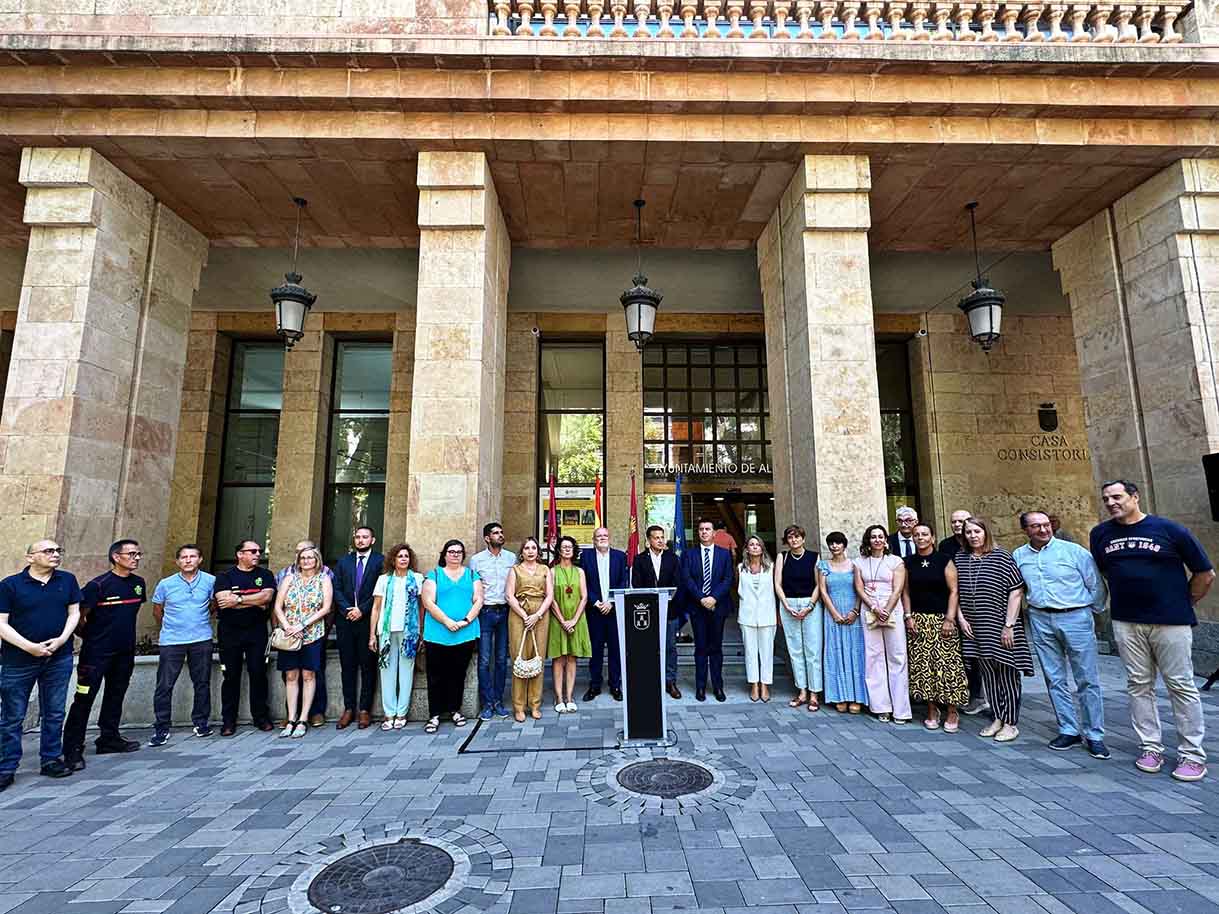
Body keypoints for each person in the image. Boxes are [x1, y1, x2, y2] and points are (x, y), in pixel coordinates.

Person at [1090, 479, 1214, 782]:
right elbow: (1106, 570)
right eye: (1106, 498)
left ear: (1135, 497)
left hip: (1171, 621)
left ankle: (1192, 754)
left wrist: (1184, 601)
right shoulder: (1101, 534)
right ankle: (1150, 747)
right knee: (1138, 684)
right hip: (1126, 621)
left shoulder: (1170, 530)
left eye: (1117, 497)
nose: (1111, 503)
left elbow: (1205, 573)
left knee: (1180, 685)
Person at [1014, 511, 1108, 759]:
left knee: (1087, 678)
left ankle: (1095, 734)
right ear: (1026, 530)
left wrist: (1091, 611)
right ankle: (1068, 729)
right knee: (1054, 678)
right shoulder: (1019, 556)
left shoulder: (1074, 551)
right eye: (1036, 526)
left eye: (1045, 525)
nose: (1043, 530)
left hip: (1075, 616)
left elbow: (1095, 584)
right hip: (1040, 617)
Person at [0, 540, 81, 789]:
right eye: (48, 551)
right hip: (18, 661)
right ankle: (6, 767)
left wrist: (61, 640)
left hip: (59, 658)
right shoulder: (10, 585)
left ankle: (51, 759)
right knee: (12, 716)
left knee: (55, 712)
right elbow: (1, 623)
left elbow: (74, 613)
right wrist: (30, 647)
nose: (55, 554)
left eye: (58, 550)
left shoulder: (67, 580)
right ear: (30, 557)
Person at [62, 539, 146, 770]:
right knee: (84, 699)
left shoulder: (138, 583)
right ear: (116, 557)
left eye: (138, 554)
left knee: (115, 695)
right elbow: (79, 616)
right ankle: (72, 749)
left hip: (124, 653)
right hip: (97, 654)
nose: (136, 558)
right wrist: (92, 637)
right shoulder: (98, 585)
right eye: (131, 554)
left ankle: (109, 738)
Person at [952, 516, 1032, 743]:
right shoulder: (961, 558)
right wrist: (960, 618)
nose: (973, 536)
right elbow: (955, 591)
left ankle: (1010, 723)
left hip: (1000, 624)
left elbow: (1016, 592)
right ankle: (997, 717)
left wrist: (1009, 625)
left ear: (985, 532)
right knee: (988, 674)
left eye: (977, 531)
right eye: (968, 532)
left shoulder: (1001, 557)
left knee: (1007, 673)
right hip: (974, 626)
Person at [901, 523, 968, 732]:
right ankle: (932, 709)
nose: (920, 538)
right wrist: (908, 616)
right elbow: (906, 592)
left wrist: (950, 618)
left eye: (924, 534)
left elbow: (954, 591)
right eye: (916, 535)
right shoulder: (908, 562)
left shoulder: (944, 560)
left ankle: (952, 710)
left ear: (932, 537)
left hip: (941, 620)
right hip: (919, 620)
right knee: (923, 667)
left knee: (947, 665)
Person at [150, 544, 216, 747]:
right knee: (164, 685)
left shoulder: (211, 581)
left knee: (202, 682)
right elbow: (157, 610)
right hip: (172, 641)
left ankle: (201, 723)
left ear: (200, 559)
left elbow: (214, 605)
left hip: (201, 639)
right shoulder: (165, 584)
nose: (188, 560)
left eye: (192, 556)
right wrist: (171, 628)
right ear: (178, 561)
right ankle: (161, 727)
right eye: (184, 557)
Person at [214, 540, 276, 736]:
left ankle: (261, 717)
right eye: (252, 551)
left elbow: (266, 598)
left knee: (258, 674)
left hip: (257, 631)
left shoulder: (265, 575)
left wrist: (238, 599)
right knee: (230, 676)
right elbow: (223, 602)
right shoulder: (224, 576)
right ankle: (228, 721)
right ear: (240, 554)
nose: (258, 554)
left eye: (259, 551)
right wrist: (254, 601)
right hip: (229, 632)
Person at [421, 539, 482, 733]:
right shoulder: (434, 575)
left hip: (465, 633)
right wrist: (447, 621)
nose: (455, 555)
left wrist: (465, 620)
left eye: (459, 552)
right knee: (435, 676)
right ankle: (435, 715)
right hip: (437, 633)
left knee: (458, 674)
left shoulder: (472, 575)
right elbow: (428, 602)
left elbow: (479, 600)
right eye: (451, 551)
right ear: (444, 554)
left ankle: (455, 710)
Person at [272, 545, 332, 739]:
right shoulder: (289, 578)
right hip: (289, 635)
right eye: (303, 558)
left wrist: (302, 625)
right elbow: (278, 606)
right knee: (290, 676)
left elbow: (326, 608)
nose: (306, 561)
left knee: (308, 675)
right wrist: (288, 626)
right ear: (298, 560)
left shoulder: (323, 579)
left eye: (310, 558)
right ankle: (291, 718)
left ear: (317, 560)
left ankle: (303, 718)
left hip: (312, 633)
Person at [854, 525, 910, 723]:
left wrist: (886, 609)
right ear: (868, 540)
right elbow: (859, 588)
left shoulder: (896, 561)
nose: (877, 540)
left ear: (886, 540)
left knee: (897, 656)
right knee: (874, 657)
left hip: (892, 609)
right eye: (873, 537)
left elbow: (898, 589)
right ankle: (881, 706)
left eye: (880, 536)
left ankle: (901, 710)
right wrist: (874, 607)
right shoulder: (859, 562)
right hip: (870, 611)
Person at [369, 543, 424, 730]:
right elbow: (376, 608)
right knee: (387, 671)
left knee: (406, 671)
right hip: (386, 631)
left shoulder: (417, 578)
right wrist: (372, 635)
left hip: (409, 632)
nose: (403, 559)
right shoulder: (384, 580)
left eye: (406, 556)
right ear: (393, 559)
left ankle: (402, 712)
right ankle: (389, 713)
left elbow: (421, 607)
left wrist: (421, 632)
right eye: (400, 556)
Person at [333, 527, 383, 730]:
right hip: (345, 621)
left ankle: (364, 710)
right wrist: (347, 609)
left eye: (365, 537)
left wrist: (362, 609)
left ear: (372, 540)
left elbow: (380, 591)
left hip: (367, 620)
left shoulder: (380, 561)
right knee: (348, 666)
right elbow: (335, 588)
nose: (361, 540)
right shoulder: (344, 562)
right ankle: (348, 708)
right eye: (358, 537)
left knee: (368, 666)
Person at [680, 518, 735, 702]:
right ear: (698, 533)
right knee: (701, 648)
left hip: (718, 607)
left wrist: (713, 598)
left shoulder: (724, 554)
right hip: (697, 608)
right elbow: (687, 578)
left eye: (708, 529)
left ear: (714, 533)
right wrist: (702, 598)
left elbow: (728, 579)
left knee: (716, 648)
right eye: (701, 529)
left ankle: (718, 687)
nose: (704, 532)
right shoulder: (689, 554)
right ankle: (701, 687)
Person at [470, 522, 516, 720]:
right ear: (487, 538)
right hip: (485, 612)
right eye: (495, 533)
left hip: (505, 611)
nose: (500, 535)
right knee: (485, 659)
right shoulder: (476, 560)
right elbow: (473, 587)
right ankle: (487, 702)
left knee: (501, 659)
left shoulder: (511, 557)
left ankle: (498, 700)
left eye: (501, 532)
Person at [818, 531, 868, 714]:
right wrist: (834, 613)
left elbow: (860, 589)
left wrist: (855, 610)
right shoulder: (823, 565)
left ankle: (857, 696)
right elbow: (823, 591)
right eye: (831, 543)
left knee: (855, 653)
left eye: (838, 543)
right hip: (832, 613)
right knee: (836, 653)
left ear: (844, 545)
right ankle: (839, 695)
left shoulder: (855, 565)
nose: (834, 546)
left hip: (853, 613)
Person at [939, 508, 983, 713]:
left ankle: (978, 695)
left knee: (977, 653)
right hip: (955, 602)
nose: (957, 525)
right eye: (954, 521)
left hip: (979, 605)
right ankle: (960, 692)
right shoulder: (946, 546)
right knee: (961, 652)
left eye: (961, 521)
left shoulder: (979, 547)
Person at [774, 524, 823, 711]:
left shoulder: (814, 556)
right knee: (795, 650)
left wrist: (810, 605)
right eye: (790, 537)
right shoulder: (782, 557)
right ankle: (802, 691)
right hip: (789, 604)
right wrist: (785, 605)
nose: (793, 540)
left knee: (812, 650)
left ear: (803, 538)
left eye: (797, 537)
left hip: (810, 604)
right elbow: (777, 583)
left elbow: (819, 584)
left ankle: (814, 693)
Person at [631, 524, 683, 699]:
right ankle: (650, 681)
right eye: (656, 537)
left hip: (670, 611)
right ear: (648, 541)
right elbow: (636, 585)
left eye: (662, 537)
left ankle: (670, 681)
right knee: (649, 648)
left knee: (670, 648)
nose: (661, 540)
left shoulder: (673, 559)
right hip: (647, 612)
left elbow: (678, 584)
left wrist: (668, 600)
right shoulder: (639, 560)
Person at [579, 527, 628, 702]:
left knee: (616, 650)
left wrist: (611, 601)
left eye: (605, 535)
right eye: (599, 536)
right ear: (593, 539)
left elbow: (624, 581)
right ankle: (595, 685)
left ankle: (615, 685)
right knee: (596, 650)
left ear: (610, 537)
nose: (602, 538)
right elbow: (582, 582)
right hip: (595, 611)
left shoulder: (620, 556)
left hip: (614, 611)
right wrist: (596, 602)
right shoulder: (586, 557)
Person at [506, 537, 552, 721]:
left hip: (540, 613)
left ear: (538, 551)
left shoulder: (545, 569)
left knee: (537, 659)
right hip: (519, 614)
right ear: (522, 552)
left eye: (534, 548)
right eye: (527, 548)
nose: (531, 551)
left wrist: (537, 615)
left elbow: (550, 596)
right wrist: (525, 616)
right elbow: (509, 596)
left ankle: (535, 704)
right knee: (519, 658)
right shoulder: (514, 570)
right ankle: (518, 706)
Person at [548, 535, 591, 713]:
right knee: (558, 658)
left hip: (576, 619)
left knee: (572, 657)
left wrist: (573, 620)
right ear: (558, 550)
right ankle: (558, 697)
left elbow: (584, 597)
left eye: (570, 547)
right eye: (564, 546)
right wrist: (563, 620)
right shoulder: (551, 571)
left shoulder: (580, 571)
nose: (567, 549)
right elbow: (550, 599)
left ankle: (569, 696)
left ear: (574, 551)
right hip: (558, 620)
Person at [737, 535, 777, 702]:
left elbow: (777, 589)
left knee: (766, 652)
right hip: (747, 615)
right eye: (751, 544)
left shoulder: (772, 567)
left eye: (757, 544)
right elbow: (737, 590)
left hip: (767, 614)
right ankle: (754, 684)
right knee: (750, 652)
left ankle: (765, 684)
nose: (754, 547)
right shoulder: (740, 568)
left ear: (762, 548)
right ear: (746, 548)